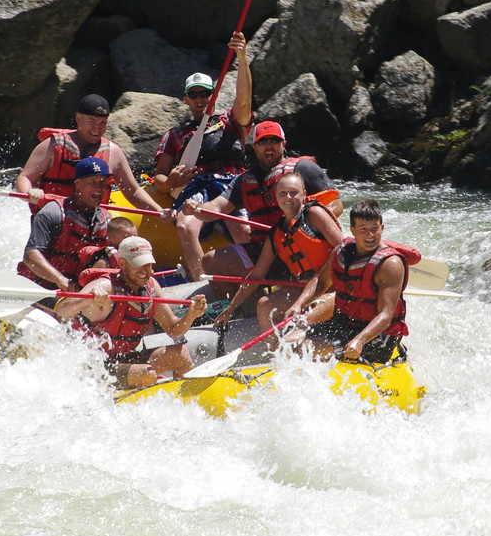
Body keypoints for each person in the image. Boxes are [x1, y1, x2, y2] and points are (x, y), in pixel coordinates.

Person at [182, 120, 342, 293]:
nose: (269, 146)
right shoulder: (244, 181)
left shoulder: (304, 168)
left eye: (274, 141)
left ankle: (323, 290)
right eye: (263, 142)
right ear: (254, 147)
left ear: (283, 144)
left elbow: (336, 203)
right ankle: (246, 310)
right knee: (210, 261)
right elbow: (215, 208)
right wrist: (196, 208)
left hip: (302, 248)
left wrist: (307, 225)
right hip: (265, 251)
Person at [152, 32, 253, 279]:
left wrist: (242, 57)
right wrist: (172, 183)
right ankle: (201, 284)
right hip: (196, 189)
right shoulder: (176, 134)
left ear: (214, 96)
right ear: (186, 99)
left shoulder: (231, 122)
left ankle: (254, 280)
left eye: (205, 94)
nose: (200, 99)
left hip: (231, 184)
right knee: (185, 225)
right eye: (194, 95)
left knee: (241, 229)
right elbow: (160, 179)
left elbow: (244, 101)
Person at [55, 236, 209, 388]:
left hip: (123, 359)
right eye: (139, 265)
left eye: (148, 265)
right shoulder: (106, 285)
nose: (145, 271)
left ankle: (187, 401)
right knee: (146, 373)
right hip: (93, 367)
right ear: (122, 263)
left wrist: (191, 315)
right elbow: (62, 309)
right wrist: (88, 300)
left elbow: (174, 330)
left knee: (180, 354)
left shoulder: (152, 287)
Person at [214, 172, 341, 337]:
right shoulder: (277, 234)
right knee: (264, 305)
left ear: (303, 195)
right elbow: (257, 274)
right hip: (303, 290)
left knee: (298, 323)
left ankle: (297, 340)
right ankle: (273, 352)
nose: (288, 197)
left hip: (332, 288)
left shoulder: (314, 214)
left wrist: (316, 285)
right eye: (282, 193)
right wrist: (231, 307)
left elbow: (342, 247)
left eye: (293, 193)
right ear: (276, 197)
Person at [287, 199, 411, 364]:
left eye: (375, 229)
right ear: (352, 230)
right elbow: (321, 281)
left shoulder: (390, 264)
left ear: (382, 228)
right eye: (363, 229)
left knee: (308, 347)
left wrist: (359, 340)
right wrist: (299, 304)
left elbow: (386, 315)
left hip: (378, 336)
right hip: (344, 324)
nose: (370, 235)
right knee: (290, 341)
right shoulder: (341, 252)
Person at [14, 93, 164, 215]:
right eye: (92, 121)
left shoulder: (114, 153)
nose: (97, 129)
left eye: (102, 123)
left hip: (92, 225)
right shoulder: (52, 146)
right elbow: (24, 177)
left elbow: (134, 192)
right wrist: (30, 192)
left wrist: (160, 211)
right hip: (54, 218)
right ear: (78, 119)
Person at [18, 157, 113, 302]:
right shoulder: (54, 212)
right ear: (78, 184)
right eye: (92, 182)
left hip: (77, 295)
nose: (99, 189)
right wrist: (61, 280)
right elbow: (31, 256)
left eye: (102, 183)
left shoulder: (106, 220)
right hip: (39, 288)